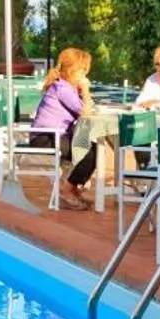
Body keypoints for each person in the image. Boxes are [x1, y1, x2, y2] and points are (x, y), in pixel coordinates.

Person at [27, 46, 100, 209]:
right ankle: (67, 190)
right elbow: (85, 111)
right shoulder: (62, 88)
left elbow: (84, 110)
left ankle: (72, 190)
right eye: (82, 71)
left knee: (94, 149)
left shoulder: (68, 88)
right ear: (72, 70)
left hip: (55, 136)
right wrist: (86, 90)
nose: (84, 76)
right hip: (45, 138)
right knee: (86, 151)